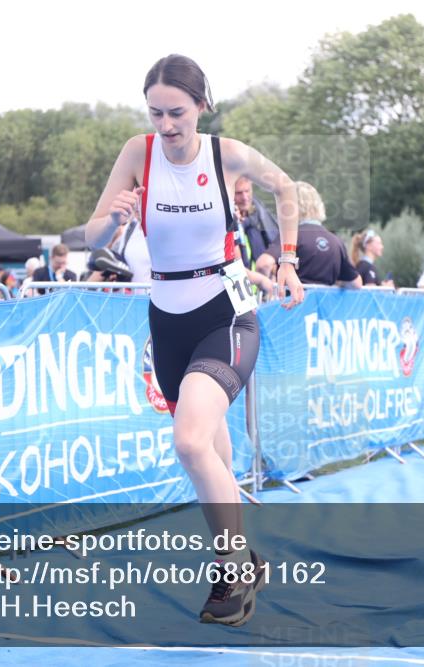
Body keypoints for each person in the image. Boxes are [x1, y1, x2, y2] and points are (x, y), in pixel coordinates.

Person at [84, 54, 303, 627]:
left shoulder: (225, 154)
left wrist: (287, 261)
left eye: (176, 112)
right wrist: (115, 216)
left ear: (201, 106)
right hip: (167, 318)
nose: (165, 125)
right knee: (211, 449)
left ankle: (232, 567)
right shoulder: (138, 153)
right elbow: (89, 234)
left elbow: (287, 190)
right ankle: (246, 558)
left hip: (224, 313)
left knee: (188, 443)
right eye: (155, 113)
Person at [254, 181, 361, 288]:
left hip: (293, 302)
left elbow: (264, 264)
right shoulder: (336, 242)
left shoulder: (291, 236)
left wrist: (266, 288)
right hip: (325, 303)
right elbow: (356, 283)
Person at [233, 176, 279, 269]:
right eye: (238, 193)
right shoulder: (226, 220)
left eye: (247, 191)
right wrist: (234, 223)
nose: (245, 197)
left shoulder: (259, 212)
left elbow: (275, 238)